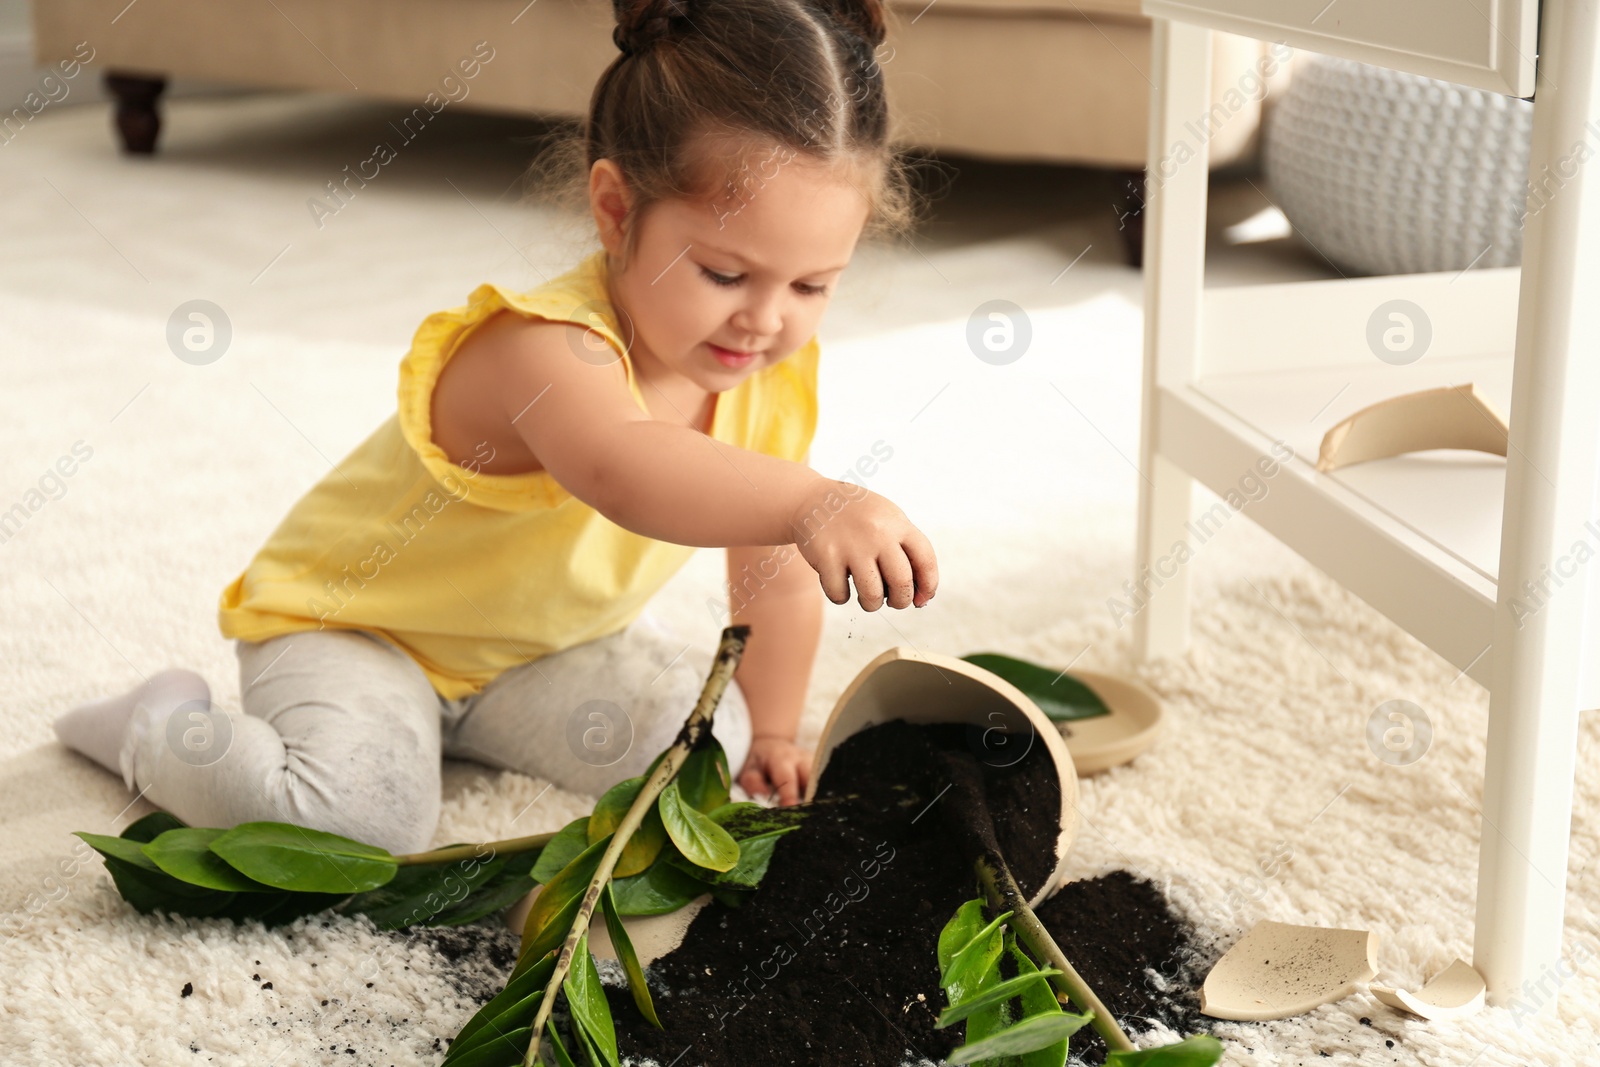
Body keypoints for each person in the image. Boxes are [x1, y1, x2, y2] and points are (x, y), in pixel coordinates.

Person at [51, 0, 938, 856]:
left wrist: (776, 730)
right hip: (358, 631)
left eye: (811, 286)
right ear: (618, 210)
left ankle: (452, 734)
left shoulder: (765, 377)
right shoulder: (546, 348)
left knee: (702, 745)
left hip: (538, 656)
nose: (765, 321)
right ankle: (160, 726)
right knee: (357, 822)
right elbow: (626, 467)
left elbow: (771, 571)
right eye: (723, 272)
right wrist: (816, 499)